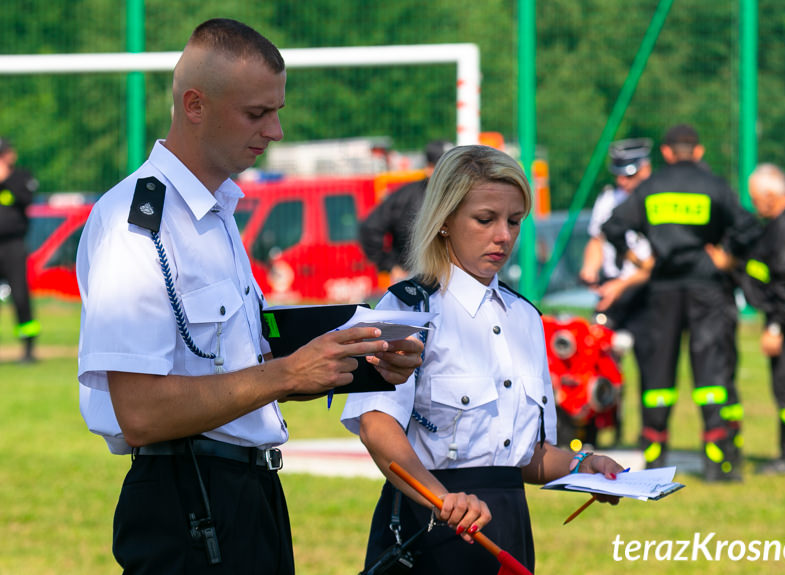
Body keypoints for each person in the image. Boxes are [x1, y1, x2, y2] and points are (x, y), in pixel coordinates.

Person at [76, 19, 423, 574]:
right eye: (257, 113)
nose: (277, 130)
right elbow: (138, 411)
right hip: (187, 498)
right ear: (195, 105)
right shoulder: (135, 223)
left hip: (247, 493)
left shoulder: (217, 213)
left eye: (277, 110)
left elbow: (237, 368)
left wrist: (355, 363)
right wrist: (287, 375)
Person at [342, 145, 623, 574]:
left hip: (508, 528)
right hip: (429, 526)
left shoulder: (526, 317)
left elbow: (527, 456)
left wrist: (585, 466)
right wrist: (442, 498)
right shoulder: (406, 308)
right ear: (444, 221)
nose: (504, 236)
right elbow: (376, 426)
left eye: (514, 221)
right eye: (485, 219)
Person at [602, 124, 760, 481]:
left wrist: (636, 258)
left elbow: (613, 225)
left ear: (667, 153)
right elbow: (749, 227)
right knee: (712, 375)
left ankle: (654, 459)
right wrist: (728, 256)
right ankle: (719, 464)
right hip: (708, 288)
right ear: (699, 151)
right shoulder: (714, 185)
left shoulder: (650, 188)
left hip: (663, 289)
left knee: (658, 376)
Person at [734, 164, 785, 474]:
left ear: (770, 195)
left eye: (756, 198)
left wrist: (776, 326)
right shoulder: (779, 223)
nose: (755, 204)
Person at [579, 139, 654, 443]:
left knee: (651, 364)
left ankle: (649, 434)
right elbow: (597, 240)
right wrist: (589, 267)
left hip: (644, 290)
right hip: (610, 288)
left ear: (646, 169)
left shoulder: (655, 199)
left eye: (630, 174)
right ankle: (597, 428)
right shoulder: (609, 199)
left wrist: (621, 286)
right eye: (619, 174)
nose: (623, 180)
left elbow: (654, 262)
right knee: (597, 359)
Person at [359, 140, 452, 283]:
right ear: (429, 168)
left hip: (453, 274)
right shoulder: (406, 196)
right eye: (443, 168)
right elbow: (370, 228)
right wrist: (389, 265)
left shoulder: (461, 196)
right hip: (413, 277)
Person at [0, 137, 41, 363]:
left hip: (13, 246)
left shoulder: (20, 177)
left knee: (20, 296)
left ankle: (28, 348)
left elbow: (27, 198)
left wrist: (5, 180)